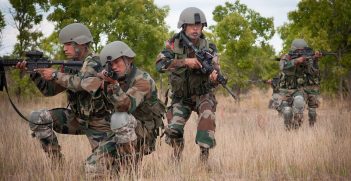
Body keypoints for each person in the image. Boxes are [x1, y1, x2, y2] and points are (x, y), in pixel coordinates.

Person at [16, 23, 113, 170]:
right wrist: (33, 72)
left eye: (68, 44)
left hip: (99, 123)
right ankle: (57, 165)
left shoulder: (96, 61)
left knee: (97, 170)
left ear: (80, 44)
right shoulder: (70, 66)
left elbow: (82, 83)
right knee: (38, 118)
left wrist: (55, 74)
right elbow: (49, 91)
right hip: (76, 119)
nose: (64, 48)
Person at [155, 7, 220, 162]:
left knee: (207, 118)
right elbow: (160, 65)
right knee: (173, 129)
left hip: (202, 94)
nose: (195, 28)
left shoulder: (209, 47)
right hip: (181, 97)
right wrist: (185, 62)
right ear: (184, 26)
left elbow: (216, 70)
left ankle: (204, 158)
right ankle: (177, 154)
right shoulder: (172, 44)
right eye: (191, 25)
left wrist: (214, 77)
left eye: (199, 25)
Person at [89, 41, 165, 171]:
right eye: (110, 64)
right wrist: (100, 83)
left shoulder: (143, 79)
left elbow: (127, 106)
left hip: (143, 133)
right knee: (92, 168)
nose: (114, 67)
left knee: (120, 118)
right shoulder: (114, 79)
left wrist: (112, 85)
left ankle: (129, 167)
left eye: (117, 62)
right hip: (119, 130)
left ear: (128, 60)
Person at [278, 39, 321, 129]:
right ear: (294, 49)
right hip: (286, 90)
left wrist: (315, 60)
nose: (302, 52)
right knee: (287, 111)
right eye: (300, 50)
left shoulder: (307, 58)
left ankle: (296, 127)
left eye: (303, 50)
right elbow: (283, 67)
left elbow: (313, 72)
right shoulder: (286, 57)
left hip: (299, 90)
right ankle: (288, 129)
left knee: (299, 102)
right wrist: (296, 61)